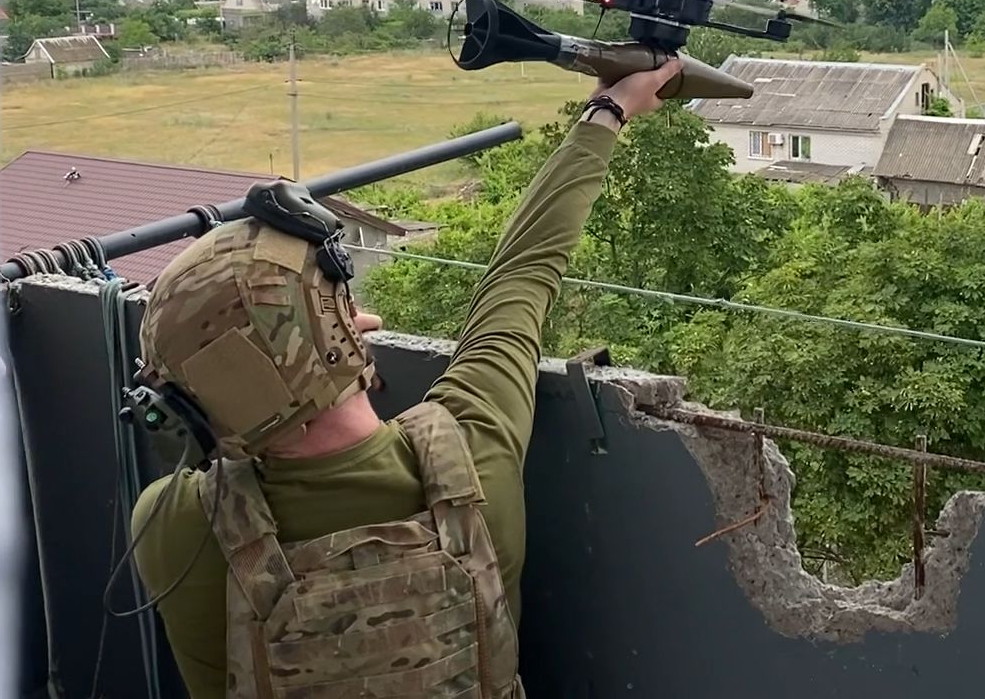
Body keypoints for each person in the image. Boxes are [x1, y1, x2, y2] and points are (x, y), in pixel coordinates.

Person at [130, 58, 682, 698]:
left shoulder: (172, 525)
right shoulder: (470, 458)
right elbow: (523, 276)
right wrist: (606, 113)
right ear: (346, 336)